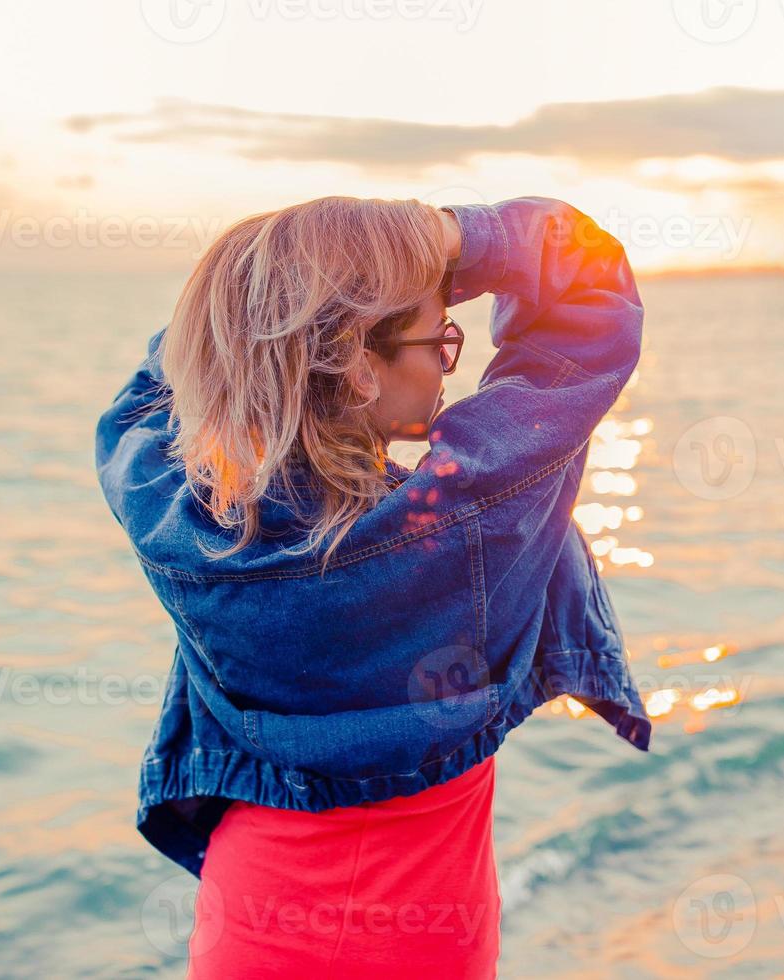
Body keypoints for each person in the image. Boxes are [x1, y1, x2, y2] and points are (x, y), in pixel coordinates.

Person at [94, 195, 652, 976]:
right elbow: (588, 294)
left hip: (247, 931)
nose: (447, 362)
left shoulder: (177, 519)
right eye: (441, 338)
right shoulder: (468, 521)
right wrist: (452, 239)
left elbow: (162, 382)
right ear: (357, 363)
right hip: (419, 941)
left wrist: (303, 283)